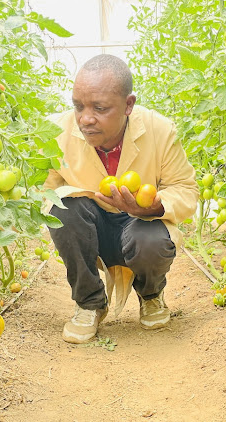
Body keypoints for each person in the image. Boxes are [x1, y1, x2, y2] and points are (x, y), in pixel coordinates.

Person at [44, 54, 198, 344]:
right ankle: (89, 302)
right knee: (62, 207)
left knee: (151, 238)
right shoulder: (56, 132)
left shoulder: (159, 130)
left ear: (129, 105)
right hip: (91, 230)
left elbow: (186, 189)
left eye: (100, 108)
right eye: (78, 106)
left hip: (140, 226)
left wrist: (156, 206)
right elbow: (37, 189)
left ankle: (151, 294)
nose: (85, 119)